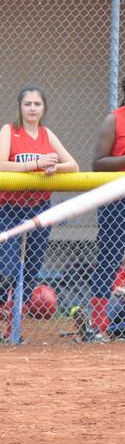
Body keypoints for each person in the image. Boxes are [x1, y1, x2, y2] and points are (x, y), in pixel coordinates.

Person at [0, 85, 79, 344]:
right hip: (8, 209)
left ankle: (12, 330)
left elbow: (73, 166)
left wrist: (55, 168)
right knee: (5, 271)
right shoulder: (9, 131)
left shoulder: (47, 134)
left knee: (29, 272)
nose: (32, 108)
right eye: (27, 104)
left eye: (37, 104)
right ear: (20, 106)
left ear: (43, 108)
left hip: (38, 208)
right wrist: (36, 164)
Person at [87, 80, 125, 342]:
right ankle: (97, 325)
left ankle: (117, 324)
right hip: (116, 199)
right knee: (109, 259)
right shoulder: (114, 120)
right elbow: (98, 163)